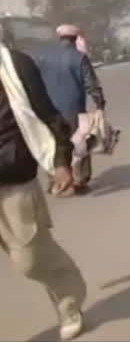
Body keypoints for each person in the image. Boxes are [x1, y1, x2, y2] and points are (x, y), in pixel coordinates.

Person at [0, 42, 86, 340]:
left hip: (13, 179)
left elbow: (48, 114)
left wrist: (61, 162)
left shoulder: (16, 65)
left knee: (30, 260)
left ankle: (68, 300)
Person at [33, 24, 106, 195]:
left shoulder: (42, 57)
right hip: (74, 109)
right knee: (80, 144)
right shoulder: (80, 58)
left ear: (60, 38)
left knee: (52, 144)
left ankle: (54, 181)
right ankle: (80, 181)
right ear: (75, 39)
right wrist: (100, 104)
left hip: (48, 110)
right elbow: (91, 84)